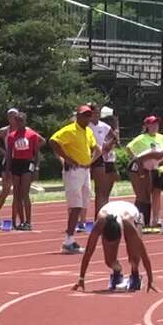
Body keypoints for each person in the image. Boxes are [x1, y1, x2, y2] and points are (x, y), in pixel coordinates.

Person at [49, 104, 101, 253]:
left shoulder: (88, 131)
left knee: (83, 205)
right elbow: (53, 141)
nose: (87, 118)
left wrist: (91, 161)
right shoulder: (70, 130)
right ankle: (68, 241)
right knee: (76, 206)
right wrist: (67, 159)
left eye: (89, 115)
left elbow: (96, 148)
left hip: (85, 171)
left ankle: (70, 240)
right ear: (78, 116)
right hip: (74, 171)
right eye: (84, 115)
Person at [72, 201, 156, 293]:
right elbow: (88, 251)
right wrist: (81, 278)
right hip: (110, 210)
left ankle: (135, 274)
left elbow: (143, 253)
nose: (112, 245)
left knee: (134, 256)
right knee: (109, 260)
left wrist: (151, 280)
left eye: (114, 242)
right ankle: (117, 272)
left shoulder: (128, 224)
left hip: (132, 214)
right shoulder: (100, 224)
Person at [0, 110, 43, 229]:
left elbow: (36, 153)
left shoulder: (32, 135)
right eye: (18, 121)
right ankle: (20, 221)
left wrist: (36, 168)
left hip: (27, 164)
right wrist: (7, 170)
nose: (20, 123)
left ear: (25, 121)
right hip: (16, 164)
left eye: (22, 121)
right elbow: (9, 155)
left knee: (24, 193)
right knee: (16, 194)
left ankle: (28, 222)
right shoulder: (11, 136)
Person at [125, 115, 163, 228]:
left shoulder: (162, 138)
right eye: (152, 124)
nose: (155, 126)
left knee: (157, 194)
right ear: (146, 126)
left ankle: (156, 218)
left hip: (158, 169)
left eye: (156, 124)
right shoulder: (141, 138)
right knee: (144, 195)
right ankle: (141, 219)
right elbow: (128, 147)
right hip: (145, 170)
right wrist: (135, 160)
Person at [91, 106, 120, 215]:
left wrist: (110, 144)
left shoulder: (104, 126)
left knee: (105, 191)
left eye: (97, 113)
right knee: (99, 191)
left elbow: (114, 138)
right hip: (94, 158)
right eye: (94, 113)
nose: (96, 115)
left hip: (107, 159)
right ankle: (99, 215)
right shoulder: (86, 126)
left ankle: (102, 215)